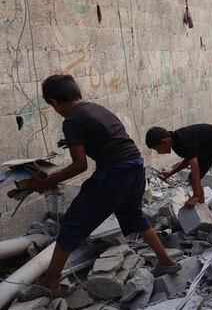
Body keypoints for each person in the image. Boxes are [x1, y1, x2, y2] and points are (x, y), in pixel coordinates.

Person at [21, 74, 179, 295]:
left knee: (72, 224)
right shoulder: (96, 109)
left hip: (115, 174)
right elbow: (106, 136)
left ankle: (51, 282)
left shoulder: (72, 120)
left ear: (54, 102)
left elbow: (79, 166)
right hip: (135, 168)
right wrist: (73, 142)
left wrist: (45, 182)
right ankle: (166, 261)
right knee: (134, 217)